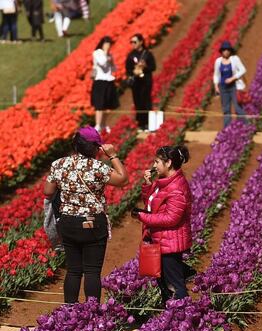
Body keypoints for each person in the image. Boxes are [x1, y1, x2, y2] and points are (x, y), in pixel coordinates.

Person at [43, 127, 128, 304]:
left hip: (68, 223)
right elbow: (122, 179)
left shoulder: (59, 164)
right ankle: (91, 314)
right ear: (96, 148)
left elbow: (47, 190)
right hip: (93, 224)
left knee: (73, 271)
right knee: (92, 271)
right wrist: (113, 155)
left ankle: (70, 311)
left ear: (75, 144)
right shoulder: (98, 167)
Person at [131, 145, 193, 304]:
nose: (154, 165)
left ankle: (183, 314)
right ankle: (172, 315)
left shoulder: (176, 187)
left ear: (169, 163)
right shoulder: (162, 183)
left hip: (170, 242)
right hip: (160, 240)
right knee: (163, 282)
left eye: (157, 161)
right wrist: (147, 185)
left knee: (174, 285)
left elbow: (171, 218)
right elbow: (152, 206)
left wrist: (143, 217)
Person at [125, 33, 157, 131]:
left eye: (135, 42)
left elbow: (153, 67)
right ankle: (140, 123)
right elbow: (128, 68)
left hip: (146, 82)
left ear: (141, 42)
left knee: (146, 101)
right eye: (131, 42)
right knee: (138, 102)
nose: (133, 44)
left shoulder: (147, 54)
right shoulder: (131, 55)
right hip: (136, 83)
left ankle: (148, 123)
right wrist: (134, 71)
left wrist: (145, 66)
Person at [213, 40, 247, 128]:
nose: (226, 51)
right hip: (223, 88)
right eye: (224, 50)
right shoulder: (218, 61)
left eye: (228, 49)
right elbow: (216, 75)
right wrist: (216, 86)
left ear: (230, 51)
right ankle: (227, 129)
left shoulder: (235, 59)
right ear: (221, 51)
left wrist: (232, 78)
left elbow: (243, 70)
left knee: (238, 108)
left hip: (234, 87)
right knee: (226, 109)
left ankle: (245, 127)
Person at [91, 36, 119, 134]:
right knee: (99, 105)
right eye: (106, 44)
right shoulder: (97, 53)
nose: (108, 46)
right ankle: (98, 125)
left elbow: (114, 69)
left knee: (108, 105)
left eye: (109, 44)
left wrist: (112, 62)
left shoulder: (110, 55)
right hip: (100, 81)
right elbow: (102, 63)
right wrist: (106, 54)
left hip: (109, 81)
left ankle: (104, 123)